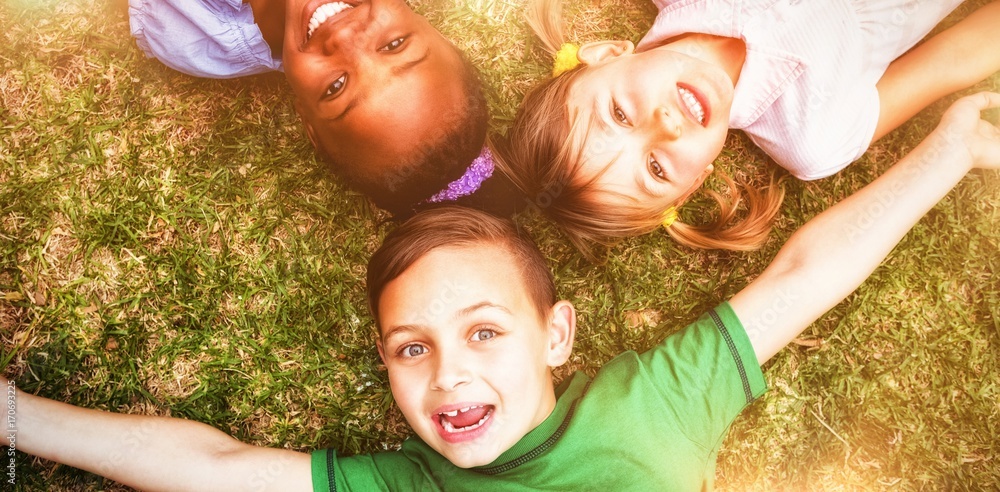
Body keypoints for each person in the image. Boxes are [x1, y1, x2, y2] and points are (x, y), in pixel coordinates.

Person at [4, 92, 999, 490]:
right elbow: (214, 469)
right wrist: (13, 414)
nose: (445, 373)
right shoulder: (403, 484)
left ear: (556, 333)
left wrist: (949, 149)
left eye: (484, 331)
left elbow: (802, 275)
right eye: (410, 347)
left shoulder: (651, 404)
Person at [495, 0, 1000, 257]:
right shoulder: (813, 137)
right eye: (655, 166)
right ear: (697, 181)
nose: (664, 125)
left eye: (621, 115)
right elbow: (950, 61)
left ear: (606, 54)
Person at [128, 0, 521, 217]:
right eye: (395, 45)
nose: (346, 37)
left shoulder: (187, 31)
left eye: (336, 87)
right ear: (431, 27)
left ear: (306, 119)